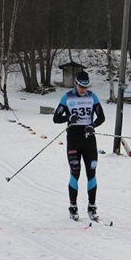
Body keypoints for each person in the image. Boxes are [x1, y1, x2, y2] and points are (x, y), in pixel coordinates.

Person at [53, 71, 105, 221]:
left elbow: (101, 117)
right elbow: (56, 118)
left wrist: (92, 125)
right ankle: (73, 207)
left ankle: (92, 206)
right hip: (74, 140)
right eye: (81, 86)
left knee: (91, 173)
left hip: (89, 140)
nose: (83, 90)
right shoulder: (67, 97)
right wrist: (68, 117)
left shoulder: (92, 96)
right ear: (76, 84)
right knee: (75, 173)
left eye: (86, 87)